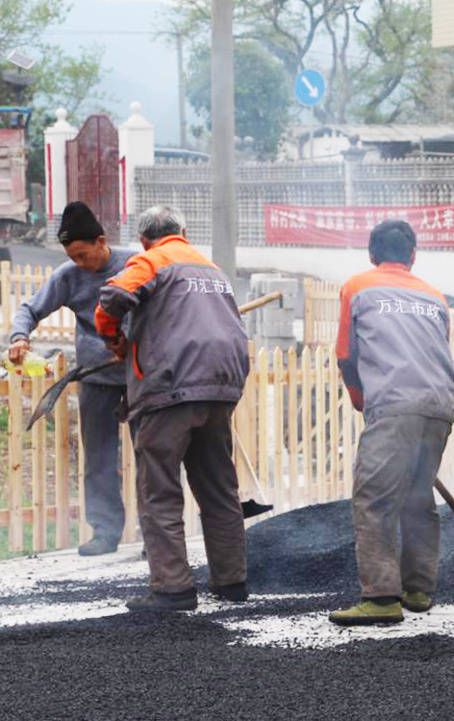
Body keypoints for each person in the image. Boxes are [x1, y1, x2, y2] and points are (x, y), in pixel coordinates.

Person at [95, 205, 250, 613]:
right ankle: (232, 581)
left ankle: (173, 590)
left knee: (159, 490)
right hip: (221, 387)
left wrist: (113, 339)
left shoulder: (152, 260)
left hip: (169, 388)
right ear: (184, 230)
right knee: (219, 488)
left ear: (146, 239)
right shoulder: (212, 269)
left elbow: (111, 297)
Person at [329, 219, 454, 626]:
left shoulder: (358, 287)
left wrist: (361, 401)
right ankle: (418, 589)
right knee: (418, 496)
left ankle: (382, 596)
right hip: (439, 406)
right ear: (413, 256)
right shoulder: (435, 296)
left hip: (394, 403)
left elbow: (347, 354)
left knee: (376, 499)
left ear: (371, 254)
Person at [6, 201, 134, 556]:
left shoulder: (133, 265)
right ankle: (106, 532)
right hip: (94, 377)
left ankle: (157, 536)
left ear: (101, 241)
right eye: (72, 256)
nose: (79, 263)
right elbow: (29, 309)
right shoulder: (68, 275)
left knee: (153, 454)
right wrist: (19, 337)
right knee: (99, 458)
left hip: (139, 375)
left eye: (82, 254)